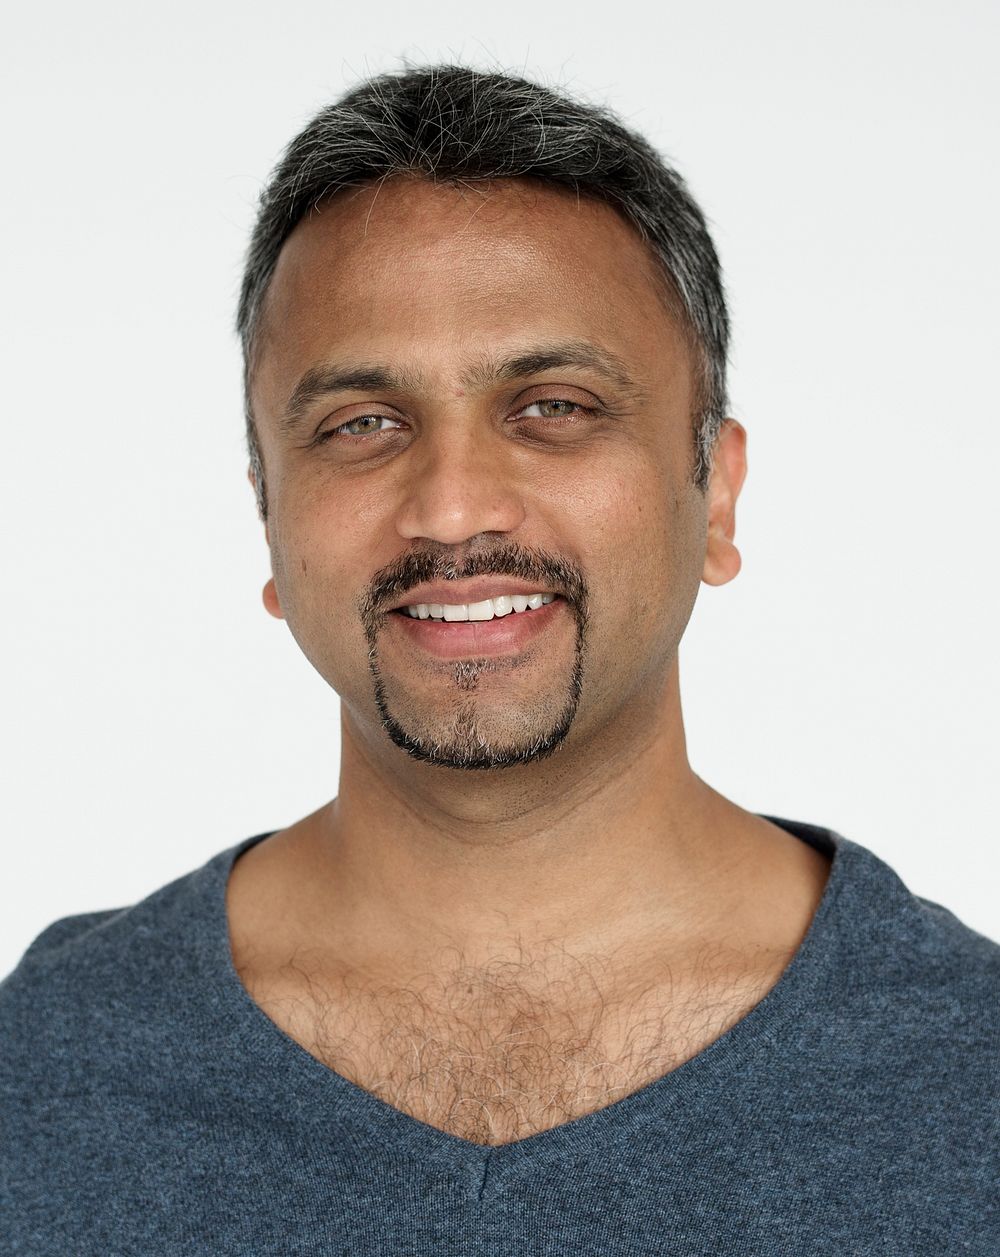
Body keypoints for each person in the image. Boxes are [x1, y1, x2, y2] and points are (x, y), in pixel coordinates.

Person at [2, 64, 997, 1256]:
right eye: (361, 425)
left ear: (715, 496)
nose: (453, 506)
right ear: (268, 515)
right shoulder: (46, 1068)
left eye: (554, 406)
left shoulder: (968, 1071)